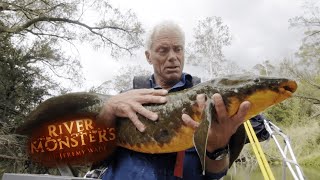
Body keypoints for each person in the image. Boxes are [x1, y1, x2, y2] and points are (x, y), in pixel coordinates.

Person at [97, 21, 251, 180]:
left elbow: (216, 173)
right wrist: (107, 110)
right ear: (148, 56)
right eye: (163, 50)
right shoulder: (123, 101)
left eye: (178, 49)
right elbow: (93, 158)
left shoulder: (210, 101)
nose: (172, 57)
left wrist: (217, 148)